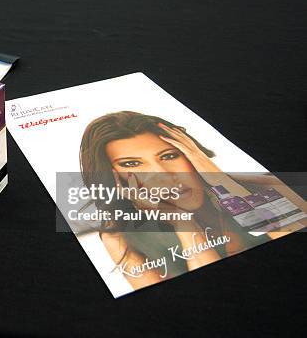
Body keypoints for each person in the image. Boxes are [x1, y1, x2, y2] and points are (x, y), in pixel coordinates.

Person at [79, 111, 298, 289]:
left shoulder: (268, 186)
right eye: (131, 164)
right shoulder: (118, 235)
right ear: (112, 175)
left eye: (169, 156)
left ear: (192, 154)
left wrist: (224, 182)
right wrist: (183, 223)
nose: (161, 174)